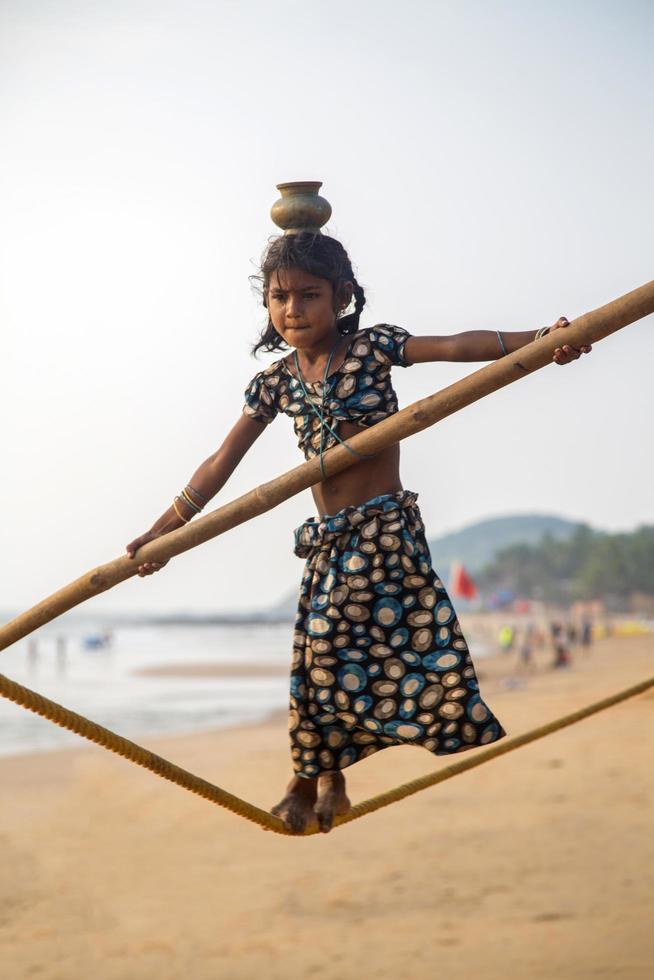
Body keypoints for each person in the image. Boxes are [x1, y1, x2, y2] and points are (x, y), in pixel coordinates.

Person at [125, 231, 591, 833]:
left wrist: (542, 341)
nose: (293, 309)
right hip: (331, 538)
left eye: (309, 295)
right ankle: (331, 780)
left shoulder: (373, 347)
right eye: (279, 297)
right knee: (314, 659)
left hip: (384, 531)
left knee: (331, 648)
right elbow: (221, 462)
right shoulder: (276, 382)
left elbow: (452, 346)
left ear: (341, 297)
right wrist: (165, 531)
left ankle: (307, 781)